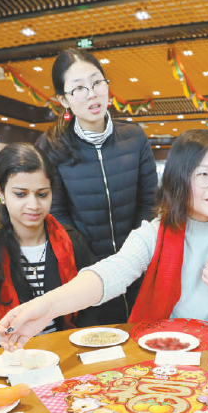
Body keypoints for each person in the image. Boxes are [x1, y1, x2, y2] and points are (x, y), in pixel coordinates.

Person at [0, 129, 208, 348]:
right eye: (203, 174)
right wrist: (47, 306)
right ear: (179, 179)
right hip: (166, 354)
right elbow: (110, 273)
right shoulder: (154, 234)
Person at [36, 48, 157, 324]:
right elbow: (57, 214)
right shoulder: (51, 146)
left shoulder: (134, 137)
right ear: (63, 99)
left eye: (97, 82)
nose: (92, 94)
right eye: (79, 88)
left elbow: (149, 202)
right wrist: (96, 267)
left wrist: (133, 256)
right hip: (86, 274)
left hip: (139, 266)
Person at [0, 143, 99, 354]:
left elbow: (92, 305)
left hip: (68, 352)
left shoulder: (72, 242)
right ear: (1, 192)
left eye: (42, 194)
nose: (33, 205)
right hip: (8, 359)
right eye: (21, 194)